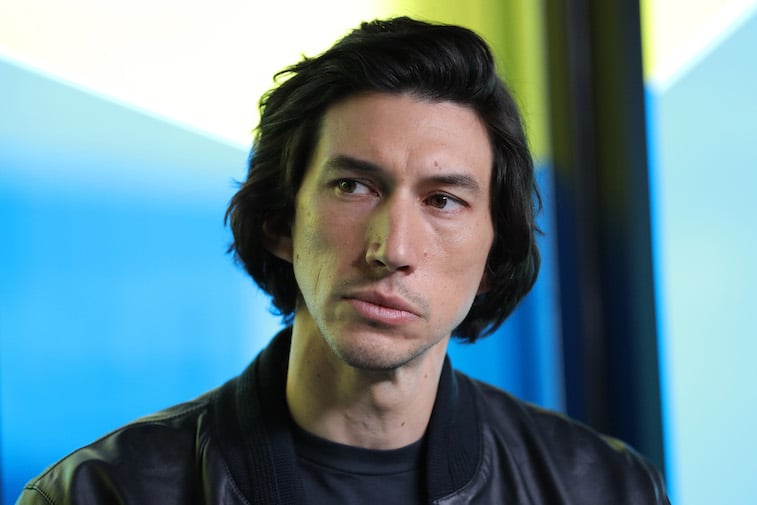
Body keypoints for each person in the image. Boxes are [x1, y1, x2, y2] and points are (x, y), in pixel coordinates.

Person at [18, 16, 670, 505]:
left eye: (442, 200)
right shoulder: (102, 493)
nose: (393, 249)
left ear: (493, 258)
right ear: (280, 222)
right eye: (353, 187)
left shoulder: (604, 489)